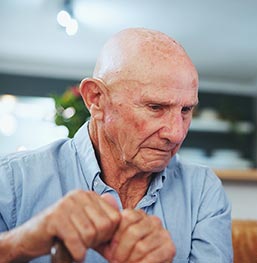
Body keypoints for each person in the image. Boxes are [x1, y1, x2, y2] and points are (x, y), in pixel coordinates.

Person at [0, 28, 232, 262]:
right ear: (96, 99)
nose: (177, 133)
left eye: (186, 110)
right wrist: (21, 242)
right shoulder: (11, 180)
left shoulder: (202, 189)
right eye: (155, 107)